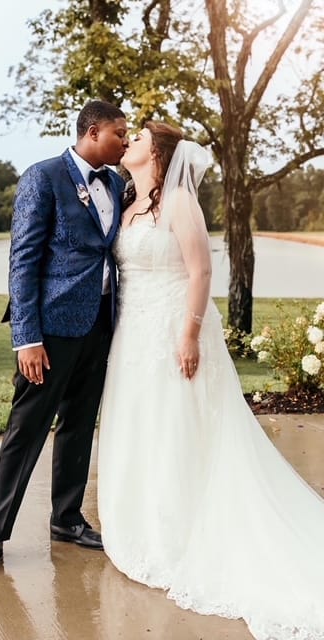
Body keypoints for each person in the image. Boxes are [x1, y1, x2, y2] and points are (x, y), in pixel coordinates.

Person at [97, 121, 324, 639]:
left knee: (181, 426)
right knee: (142, 424)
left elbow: (200, 272)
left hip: (175, 325)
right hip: (133, 332)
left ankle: (181, 526)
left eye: (137, 138)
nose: (128, 140)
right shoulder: (128, 199)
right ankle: (142, 522)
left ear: (159, 153)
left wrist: (190, 334)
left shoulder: (179, 201)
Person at [0, 100, 129, 580]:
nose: (124, 139)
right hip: (50, 330)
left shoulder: (116, 183)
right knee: (26, 432)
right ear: (93, 132)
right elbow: (23, 260)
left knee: (79, 425)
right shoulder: (43, 176)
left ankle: (67, 519)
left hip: (99, 326)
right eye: (119, 132)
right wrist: (26, 337)